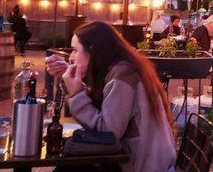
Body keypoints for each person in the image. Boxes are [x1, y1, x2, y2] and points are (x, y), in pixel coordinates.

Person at [45, 22, 176, 172]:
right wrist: (71, 81)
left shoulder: (123, 76)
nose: (71, 58)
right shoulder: (121, 68)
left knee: (70, 168)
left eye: (75, 50)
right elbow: (106, 105)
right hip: (137, 160)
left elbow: (108, 133)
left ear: (93, 50)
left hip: (144, 166)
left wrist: (76, 93)